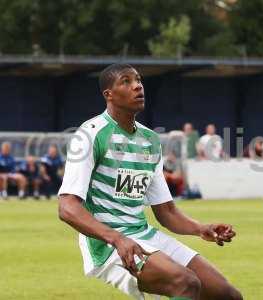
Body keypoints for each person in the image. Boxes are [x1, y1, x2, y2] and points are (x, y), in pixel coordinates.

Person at [58, 64, 242, 300]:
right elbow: (67, 207)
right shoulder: (90, 134)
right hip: (107, 244)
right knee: (185, 284)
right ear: (109, 95)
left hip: (143, 234)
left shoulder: (150, 140)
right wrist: (117, 238)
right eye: (126, 81)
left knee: (227, 295)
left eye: (138, 80)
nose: (137, 86)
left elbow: (166, 211)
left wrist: (201, 228)